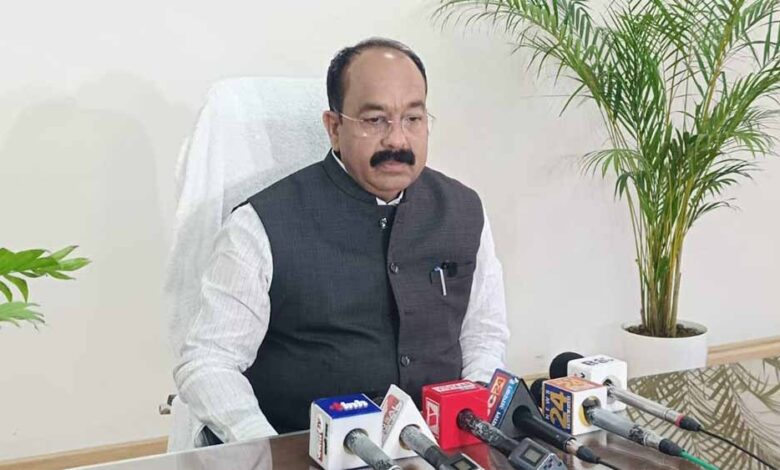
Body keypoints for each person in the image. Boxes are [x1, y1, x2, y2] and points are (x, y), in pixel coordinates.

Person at [173, 37, 509, 446]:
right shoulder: (261, 225)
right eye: (375, 120)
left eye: (413, 118)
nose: (398, 140)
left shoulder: (463, 210)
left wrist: (471, 416)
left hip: (442, 448)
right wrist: (268, 448)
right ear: (334, 128)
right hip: (305, 451)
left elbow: (483, 334)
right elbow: (209, 361)